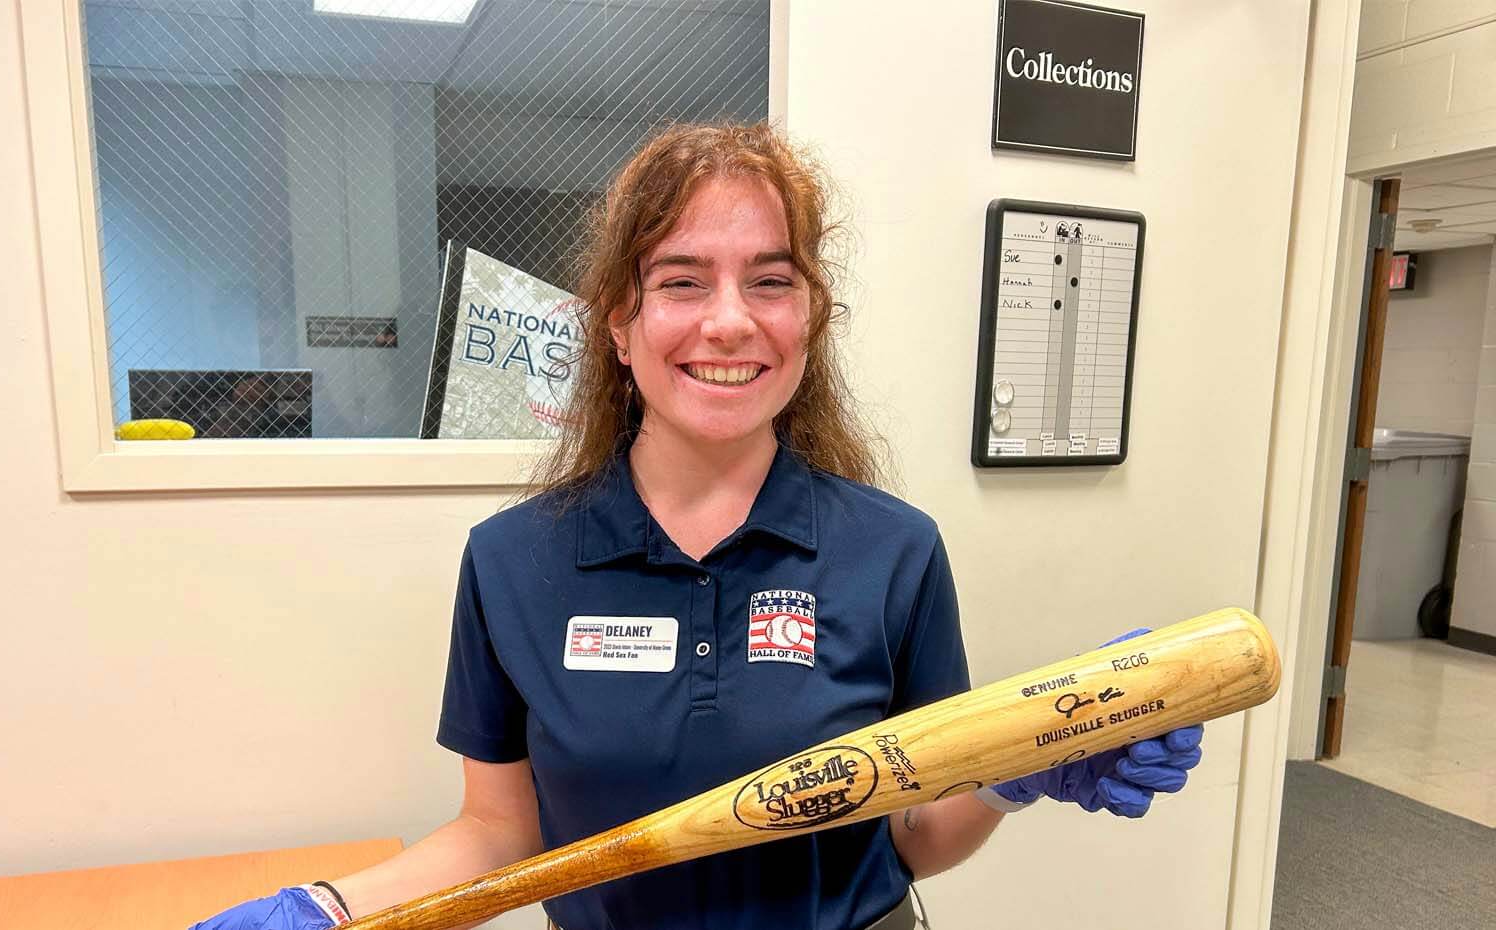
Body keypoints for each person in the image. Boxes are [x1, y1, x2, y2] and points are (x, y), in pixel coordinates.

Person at [192, 122, 1203, 930]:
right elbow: (499, 833)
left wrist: (1012, 773)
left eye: (770, 280)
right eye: (681, 280)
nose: (729, 320)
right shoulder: (512, 561)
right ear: (618, 325)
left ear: (810, 317)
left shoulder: (893, 551)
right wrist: (329, 909)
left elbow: (910, 834)